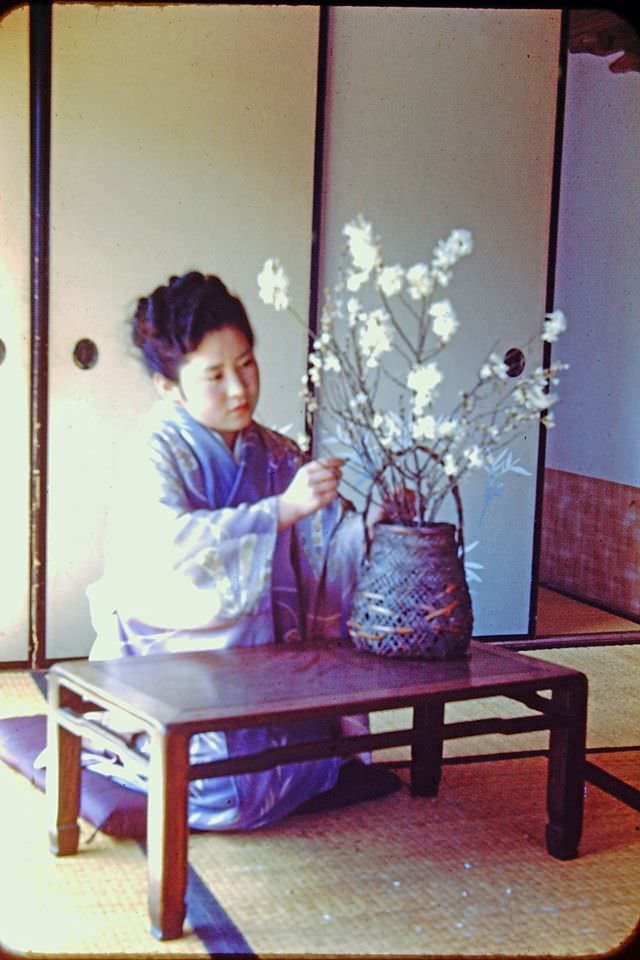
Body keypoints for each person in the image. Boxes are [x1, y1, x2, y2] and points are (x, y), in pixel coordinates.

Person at [84, 270, 374, 831]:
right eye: (215, 375)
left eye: (246, 364)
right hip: (174, 664)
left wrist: (375, 531)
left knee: (299, 754)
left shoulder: (275, 452)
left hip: (266, 667)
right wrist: (278, 513)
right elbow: (166, 548)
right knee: (227, 793)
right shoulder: (153, 453)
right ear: (169, 386)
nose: (240, 388)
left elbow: (326, 550)